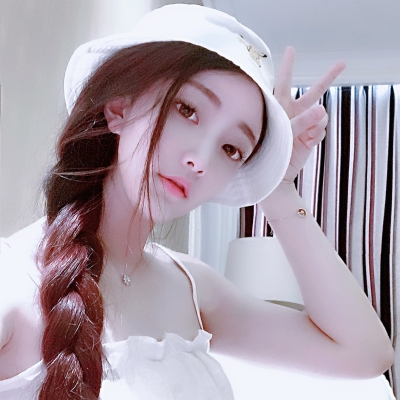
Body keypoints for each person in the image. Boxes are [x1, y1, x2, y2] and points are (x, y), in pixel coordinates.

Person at [0, 4, 394, 400]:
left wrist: (278, 190)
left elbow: (365, 353)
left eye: (231, 148)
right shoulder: (13, 278)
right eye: (187, 110)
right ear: (119, 108)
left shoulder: (193, 288)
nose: (201, 161)